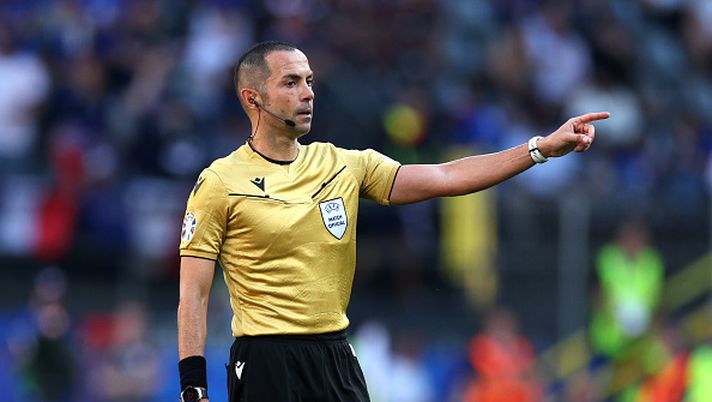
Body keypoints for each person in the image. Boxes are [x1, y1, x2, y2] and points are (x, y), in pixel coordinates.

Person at [176, 40, 609, 402]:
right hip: (266, 359)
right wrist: (193, 388)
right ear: (253, 98)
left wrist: (538, 149)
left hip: (335, 355)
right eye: (290, 83)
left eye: (309, 81)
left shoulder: (343, 165)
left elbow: (446, 176)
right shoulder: (219, 181)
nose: (307, 93)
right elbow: (193, 295)